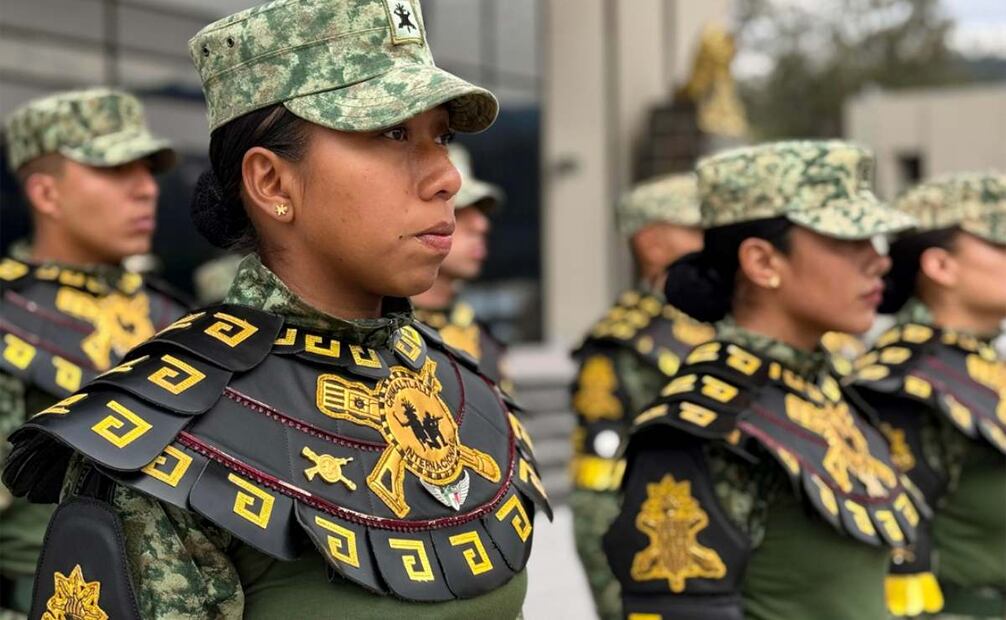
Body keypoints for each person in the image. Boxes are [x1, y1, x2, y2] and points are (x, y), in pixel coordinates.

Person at [2, 2, 549, 618]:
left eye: (440, 136)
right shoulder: (167, 439)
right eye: (392, 133)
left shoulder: (463, 386)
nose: (446, 176)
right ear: (271, 183)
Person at [603, 140, 928, 620]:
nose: (878, 260)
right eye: (847, 240)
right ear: (762, 263)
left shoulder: (824, 387)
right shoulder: (705, 431)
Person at [0, 87, 187, 616]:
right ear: (46, 193)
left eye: (148, 170)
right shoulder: (10, 317)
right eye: (115, 171)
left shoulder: (175, 315)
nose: (146, 190)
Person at [850, 172, 1006, 619]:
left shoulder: (979, 364)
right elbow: (895, 574)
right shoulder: (903, 388)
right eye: (1000, 244)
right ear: (939, 266)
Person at [567, 172, 711, 620]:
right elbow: (597, 495)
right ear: (652, 243)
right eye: (696, 230)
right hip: (674, 559)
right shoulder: (623, 345)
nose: (712, 242)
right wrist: (621, 603)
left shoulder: (730, 325)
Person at [412, 144, 511, 388]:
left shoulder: (478, 332)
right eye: (457, 208)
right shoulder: (381, 332)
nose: (481, 224)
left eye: (479, 211)